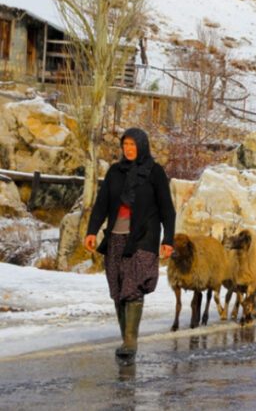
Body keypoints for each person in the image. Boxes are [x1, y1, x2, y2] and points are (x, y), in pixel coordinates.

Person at [84, 128, 176, 364]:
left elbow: (167, 208)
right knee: (117, 285)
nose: (129, 149)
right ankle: (126, 337)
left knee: (133, 284)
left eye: (133, 145)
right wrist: (91, 232)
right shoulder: (115, 172)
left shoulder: (155, 172)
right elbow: (101, 204)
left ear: (142, 146)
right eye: (126, 145)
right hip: (115, 236)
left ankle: (130, 341)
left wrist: (168, 240)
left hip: (144, 236)